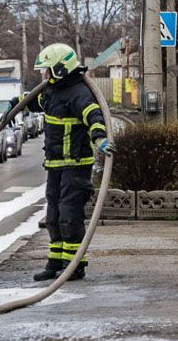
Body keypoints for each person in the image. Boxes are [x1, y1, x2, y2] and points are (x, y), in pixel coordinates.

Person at [21, 43, 114, 281]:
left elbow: (94, 116)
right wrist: (16, 104)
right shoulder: (53, 91)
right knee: (53, 216)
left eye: (48, 70)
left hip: (75, 165)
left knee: (69, 215)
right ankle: (55, 262)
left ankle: (75, 265)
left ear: (61, 69)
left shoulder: (79, 93)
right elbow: (36, 101)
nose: (45, 75)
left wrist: (100, 139)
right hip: (55, 165)